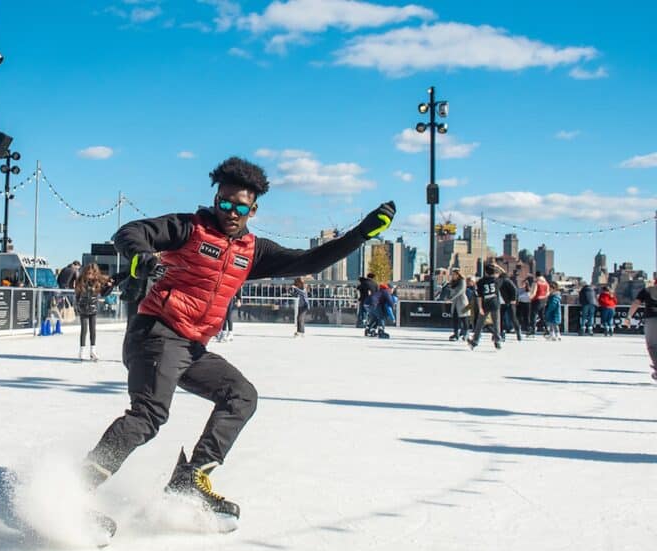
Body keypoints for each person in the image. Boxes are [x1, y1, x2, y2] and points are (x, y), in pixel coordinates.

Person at [80, 156, 396, 519]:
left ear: (253, 209)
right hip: (157, 333)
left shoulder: (253, 251)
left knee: (241, 395)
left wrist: (361, 234)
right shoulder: (188, 228)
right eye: (224, 203)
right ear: (215, 200)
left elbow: (309, 261)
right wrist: (142, 259)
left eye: (239, 207)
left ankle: (189, 478)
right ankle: (76, 487)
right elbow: (131, 232)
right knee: (149, 415)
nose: (230, 212)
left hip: (192, 346)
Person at [74, 263, 111, 361]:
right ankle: (81, 351)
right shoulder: (81, 281)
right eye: (88, 273)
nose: (90, 275)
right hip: (83, 309)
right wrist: (77, 306)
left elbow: (105, 291)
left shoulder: (97, 282)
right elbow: (77, 295)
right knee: (84, 330)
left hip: (93, 309)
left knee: (93, 330)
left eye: (92, 273)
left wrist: (109, 285)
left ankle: (93, 351)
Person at [624, 281, 657, 382]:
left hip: (652, 319)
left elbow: (636, 303)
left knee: (652, 345)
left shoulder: (647, 290)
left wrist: (629, 317)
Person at [468, 265, 502, 350]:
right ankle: (497, 341)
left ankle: (475, 341)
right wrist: (497, 267)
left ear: (485, 272)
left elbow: (479, 296)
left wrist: (480, 308)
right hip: (495, 303)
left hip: (485, 304)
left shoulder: (481, 281)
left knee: (480, 323)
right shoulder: (496, 280)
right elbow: (502, 273)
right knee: (496, 323)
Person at [497, 269, 521, 342]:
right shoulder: (499, 282)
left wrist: (513, 299)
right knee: (500, 319)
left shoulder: (506, 281)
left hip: (509, 302)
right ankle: (501, 334)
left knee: (513, 318)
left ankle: (518, 332)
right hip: (502, 302)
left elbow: (514, 289)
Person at [445, 270, 469, 341]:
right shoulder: (452, 282)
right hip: (455, 303)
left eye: (454, 274)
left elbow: (460, 291)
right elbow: (450, 291)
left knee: (464, 318)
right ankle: (456, 334)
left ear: (458, 275)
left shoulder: (462, 281)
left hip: (462, 302)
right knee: (455, 319)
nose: (453, 276)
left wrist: (451, 298)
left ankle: (466, 333)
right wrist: (448, 296)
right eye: (452, 274)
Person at [530, 271, 549, 336]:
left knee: (533, 315)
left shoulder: (536, 283)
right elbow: (547, 293)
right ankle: (546, 329)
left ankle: (532, 330)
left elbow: (533, 292)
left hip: (536, 300)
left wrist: (530, 298)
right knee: (542, 316)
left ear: (536, 276)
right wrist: (544, 298)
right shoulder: (546, 283)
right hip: (543, 300)